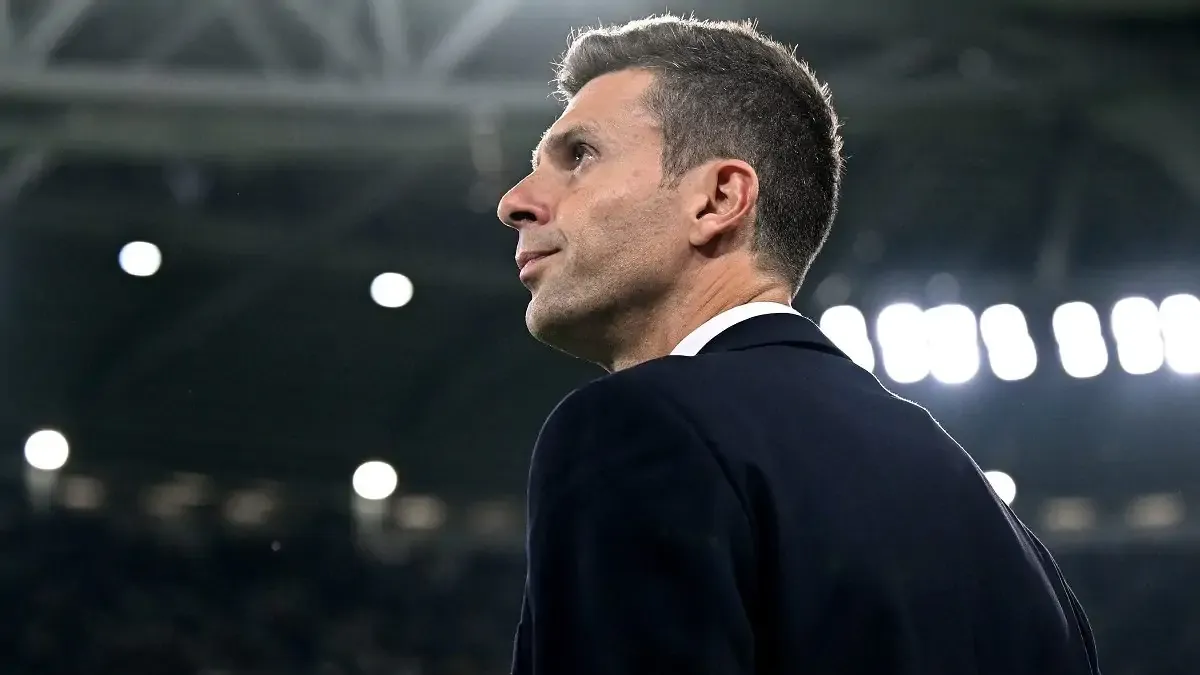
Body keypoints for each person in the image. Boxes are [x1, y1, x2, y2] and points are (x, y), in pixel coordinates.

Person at [496, 14, 1100, 675]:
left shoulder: (635, 426)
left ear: (717, 199)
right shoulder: (1006, 539)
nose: (516, 201)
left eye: (578, 156)